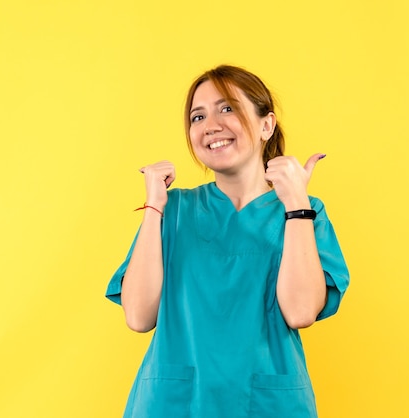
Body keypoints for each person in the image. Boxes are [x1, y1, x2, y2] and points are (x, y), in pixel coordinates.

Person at [106, 65, 350, 418]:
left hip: (268, 405)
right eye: (197, 116)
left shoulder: (304, 211)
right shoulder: (172, 211)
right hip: (172, 405)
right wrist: (154, 207)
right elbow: (139, 316)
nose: (210, 126)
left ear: (267, 125)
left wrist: (296, 205)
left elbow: (299, 313)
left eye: (228, 108)